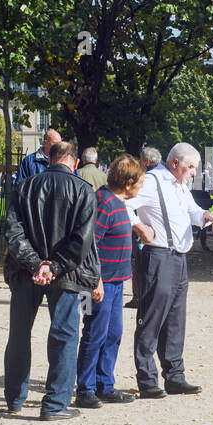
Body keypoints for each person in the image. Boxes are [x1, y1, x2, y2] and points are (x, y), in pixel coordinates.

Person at [2, 141, 99, 420]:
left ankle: (15, 398)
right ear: (76, 162)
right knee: (65, 335)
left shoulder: (25, 187)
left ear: (49, 160)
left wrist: (36, 264)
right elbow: (82, 242)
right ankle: (55, 403)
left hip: (25, 270)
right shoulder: (84, 191)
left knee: (19, 333)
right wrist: (53, 266)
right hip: (67, 273)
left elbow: (14, 233)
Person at [126, 142, 213, 399]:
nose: (193, 173)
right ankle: (147, 380)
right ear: (175, 163)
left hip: (179, 258)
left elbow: (190, 210)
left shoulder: (180, 185)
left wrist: (204, 216)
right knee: (152, 319)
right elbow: (121, 203)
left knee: (176, 321)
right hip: (157, 256)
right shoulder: (151, 181)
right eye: (191, 167)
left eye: (195, 168)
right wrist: (139, 226)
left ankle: (175, 377)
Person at [74, 155, 155, 409]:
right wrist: (95, 281)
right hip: (98, 284)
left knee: (113, 333)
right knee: (93, 332)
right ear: (128, 182)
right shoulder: (103, 203)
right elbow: (89, 245)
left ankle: (104, 384)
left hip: (116, 282)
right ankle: (85, 388)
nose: (141, 186)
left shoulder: (119, 203)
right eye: (140, 182)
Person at [126, 146, 162, 310]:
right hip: (161, 233)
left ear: (146, 162)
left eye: (140, 160)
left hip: (144, 230)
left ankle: (138, 296)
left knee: (138, 262)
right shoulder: (166, 179)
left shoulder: (144, 181)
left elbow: (128, 203)